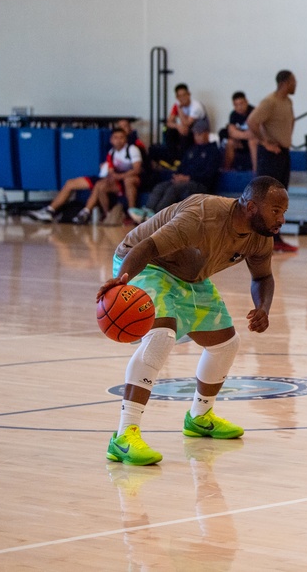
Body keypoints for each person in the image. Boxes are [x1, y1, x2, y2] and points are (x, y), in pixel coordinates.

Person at [100, 176, 288, 465]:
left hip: (191, 276)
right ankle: (124, 436)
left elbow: (262, 277)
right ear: (251, 207)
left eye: (283, 212)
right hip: (148, 264)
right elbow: (148, 247)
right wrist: (121, 281)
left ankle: (199, 417)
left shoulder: (261, 237)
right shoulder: (203, 216)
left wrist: (263, 306)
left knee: (226, 344)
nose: (282, 219)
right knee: (162, 336)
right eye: (276, 210)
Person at [27, 125, 143, 225]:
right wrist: (110, 172)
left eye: (121, 138)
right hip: (108, 178)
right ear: (111, 140)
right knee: (70, 183)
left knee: (101, 185)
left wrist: (119, 176)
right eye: (115, 138)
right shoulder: (111, 152)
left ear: (126, 139)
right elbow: (111, 170)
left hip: (122, 179)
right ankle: (50, 211)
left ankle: (87, 212)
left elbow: (137, 169)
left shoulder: (132, 150)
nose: (118, 140)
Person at [129, 121, 222, 223]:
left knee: (174, 189)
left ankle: (157, 216)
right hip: (184, 181)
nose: (197, 137)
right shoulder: (191, 150)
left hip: (200, 184)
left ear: (207, 133)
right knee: (160, 186)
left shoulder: (213, 152)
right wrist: (177, 176)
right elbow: (181, 167)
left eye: (200, 134)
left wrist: (188, 178)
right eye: (195, 134)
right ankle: (147, 211)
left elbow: (209, 175)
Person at [248, 70, 298, 253]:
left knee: (281, 197)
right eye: (294, 81)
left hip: (283, 153)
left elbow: (291, 122)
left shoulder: (288, 101)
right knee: (266, 198)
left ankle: (275, 238)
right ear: (285, 83)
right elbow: (252, 121)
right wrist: (265, 143)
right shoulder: (270, 101)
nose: (296, 85)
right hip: (270, 156)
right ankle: (258, 238)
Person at [160, 84, 209, 166]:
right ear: (177, 97)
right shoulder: (177, 104)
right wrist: (177, 126)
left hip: (199, 129)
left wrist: (179, 108)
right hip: (185, 128)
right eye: (180, 96)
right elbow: (169, 122)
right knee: (169, 131)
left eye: (184, 95)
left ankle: (182, 161)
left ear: (189, 94)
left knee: (185, 133)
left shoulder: (196, 106)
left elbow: (186, 124)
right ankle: (172, 160)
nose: (182, 98)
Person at [221, 91, 257, 172]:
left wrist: (239, 134)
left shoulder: (254, 112)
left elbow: (256, 133)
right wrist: (246, 134)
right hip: (242, 141)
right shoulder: (233, 114)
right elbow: (232, 132)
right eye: (236, 105)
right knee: (230, 142)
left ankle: (256, 170)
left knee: (252, 141)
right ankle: (226, 170)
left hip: (255, 141)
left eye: (241, 103)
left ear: (246, 101)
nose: (239, 107)